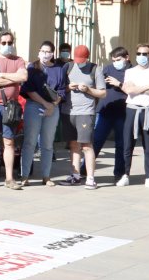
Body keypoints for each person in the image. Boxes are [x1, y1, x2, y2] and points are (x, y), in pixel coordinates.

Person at [0, 30, 27, 190]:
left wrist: (1, 75)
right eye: (4, 43)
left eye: (10, 42)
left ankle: (9, 178)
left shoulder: (18, 60)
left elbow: (23, 77)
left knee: (9, 141)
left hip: (11, 106)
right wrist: (12, 77)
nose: (7, 45)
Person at [59, 45, 105, 190]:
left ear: (87, 57)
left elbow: (103, 93)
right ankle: (75, 175)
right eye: (77, 60)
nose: (79, 63)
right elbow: (60, 88)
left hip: (86, 112)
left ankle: (90, 178)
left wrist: (88, 89)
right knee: (73, 144)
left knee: (86, 145)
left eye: (82, 60)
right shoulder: (67, 67)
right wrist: (68, 87)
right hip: (68, 112)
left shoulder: (95, 69)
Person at [22, 41, 67, 186]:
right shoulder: (32, 67)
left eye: (48, 52)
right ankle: (24, 176)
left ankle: (46, 176)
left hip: (52, 108)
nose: (45, 54)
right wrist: (45, 104)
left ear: (53, 54)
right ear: (39, 52)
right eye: (43, 51)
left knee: (47, 143)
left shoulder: (59, 69)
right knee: (30, 142)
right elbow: (29, 89)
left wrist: (53, 105)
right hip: (34, 106)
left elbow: (61, 91)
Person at [119, 43, 149, 188]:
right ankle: (125, 175)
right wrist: (148, 86)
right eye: (139, 54)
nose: (141, 56)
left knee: (148, 145)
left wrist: (138, 88)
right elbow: (129, 90)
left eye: (144, 54)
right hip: (132, 109)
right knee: (128, 143)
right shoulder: (130, 71)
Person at [90, 46, 129, 178]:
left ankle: (119, 173)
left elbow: (133, 90)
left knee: (121, 143)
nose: (115, 63)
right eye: (113, 60)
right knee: (97, 141)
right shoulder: (107, 68)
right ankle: (85, 169)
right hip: (105, 110)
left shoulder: (131, 71)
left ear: (126, 58)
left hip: (123, 112)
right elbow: (98, 86)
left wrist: (118, 84)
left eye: (118, 60)